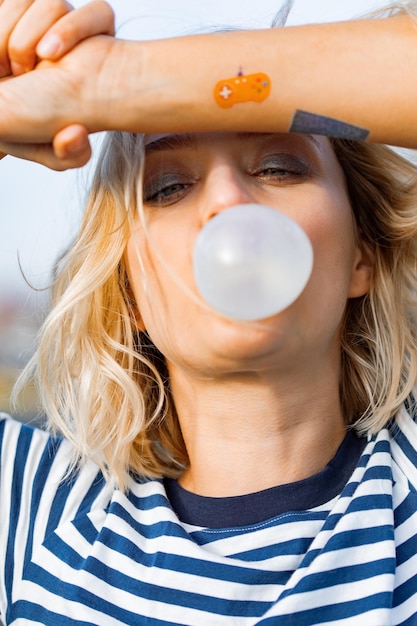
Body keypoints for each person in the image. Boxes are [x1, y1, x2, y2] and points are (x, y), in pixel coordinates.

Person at [1, 1, 417, 624]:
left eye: (279, 166)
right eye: (168, 187)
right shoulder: (37, 504)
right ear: (130, 290)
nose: (228, 201)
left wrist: (121, 80)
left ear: (363, 254)